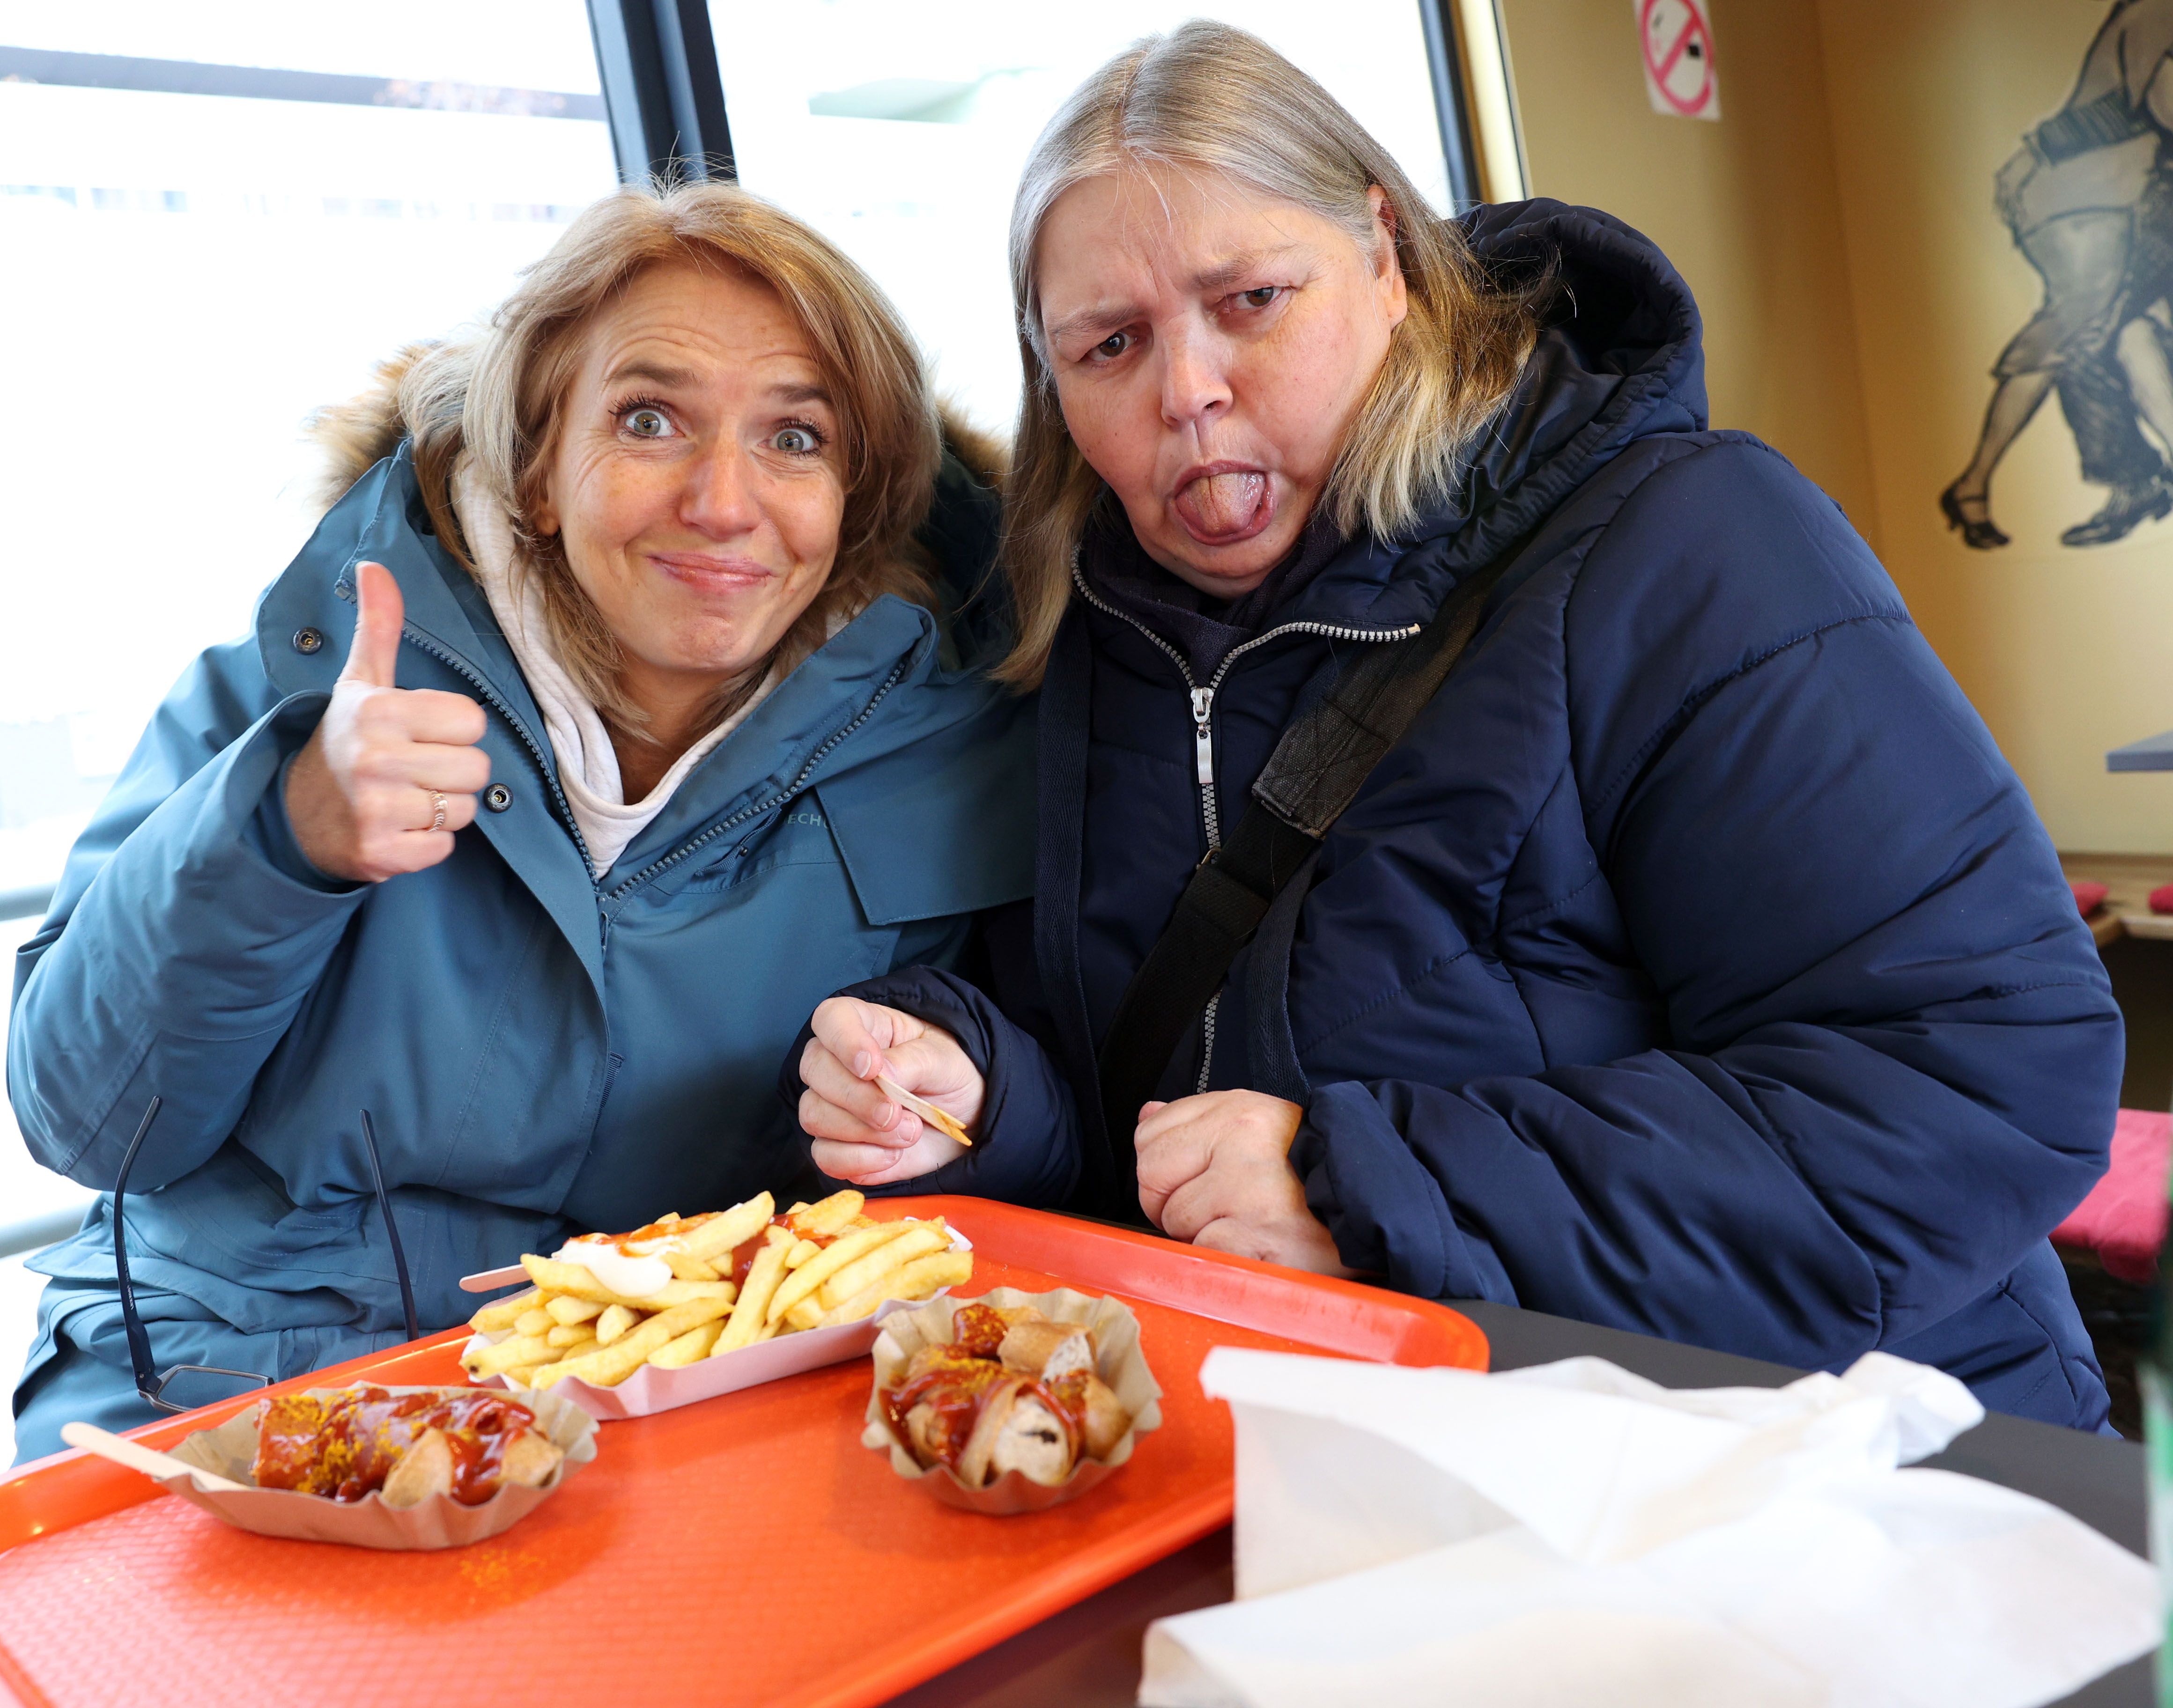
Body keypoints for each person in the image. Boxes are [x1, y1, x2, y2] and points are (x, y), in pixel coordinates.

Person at [792, 22, 2122, 1428]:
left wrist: (1369, 1187)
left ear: (1388, 257)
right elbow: (1155, 1121)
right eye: (1109, 344)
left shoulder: (1693, 546)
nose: (1185, 391)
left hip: (1831, 1472)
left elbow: (1977, 1079)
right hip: (1366, 1480)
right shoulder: (1084, 644)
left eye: (1250, 300)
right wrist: (978, 1095)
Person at [5, 182, 1027, 1461]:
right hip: (235, 1386)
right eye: (648, 420)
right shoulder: (297, 690)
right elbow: (88, 1121)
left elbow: (997, 1147)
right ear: (535, 470)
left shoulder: (947, 755)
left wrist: (944, 1107)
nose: (724, 501)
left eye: (795, 438)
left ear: (855, 503)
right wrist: (278, 840)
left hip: (652, 1419)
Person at [1945, 0, 2173, 549]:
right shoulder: (2157, 11)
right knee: (2071, 336)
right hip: (2091, 206)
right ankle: (1975, 481)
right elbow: (2134, 107)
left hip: (2105, 201)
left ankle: (2128, 481)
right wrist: (2036, 152)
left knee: (2122, 333)